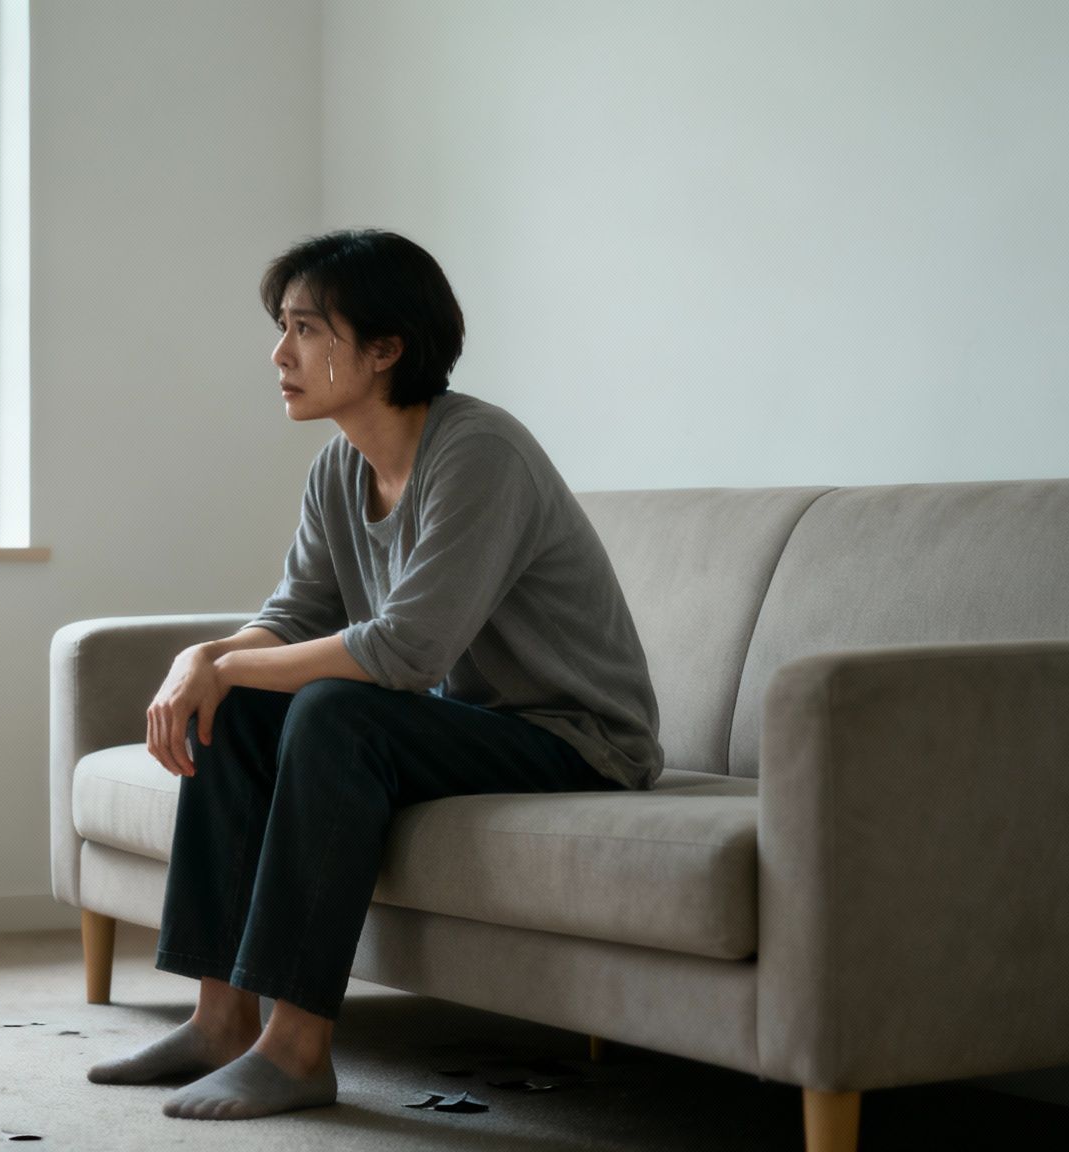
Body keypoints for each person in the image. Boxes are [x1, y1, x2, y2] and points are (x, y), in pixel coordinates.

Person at [85, 229, 663, 1121]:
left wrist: (230, 665)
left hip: (573, 737)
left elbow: (406, 652)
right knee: (238, 705)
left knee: (331, 712)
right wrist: (203, 661)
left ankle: (299, 1048)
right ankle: (220, 1019)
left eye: (309, 330)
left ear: (387, 347)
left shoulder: (480, 455)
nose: (281, 353)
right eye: (282, 327)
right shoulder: (338, 467)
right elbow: (295, 612)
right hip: (461, 727)